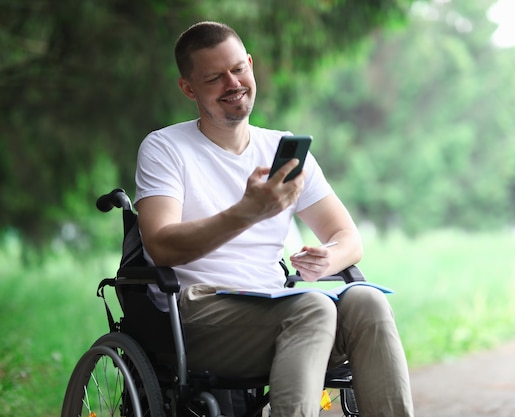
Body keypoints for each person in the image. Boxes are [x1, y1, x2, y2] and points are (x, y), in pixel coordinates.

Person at [134, 21, 414, 416]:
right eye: (214, 77)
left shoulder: (281, 149)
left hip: (279, 308)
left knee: (367, 300)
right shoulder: (166, 148)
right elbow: (161, 246)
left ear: (249, 64)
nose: (232, 84)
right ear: (188, 88)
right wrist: (246, 213)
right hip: (197, 316)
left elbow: (348, 237)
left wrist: (327, 260)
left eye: (238, 69)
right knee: (312, 309)